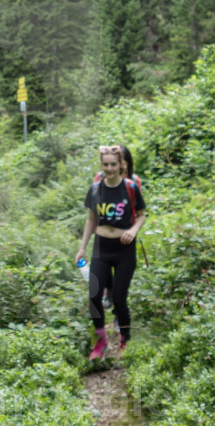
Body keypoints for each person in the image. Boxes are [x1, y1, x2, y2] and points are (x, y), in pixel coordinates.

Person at [76, 145, 146, 359]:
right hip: (101, 247)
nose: (109, 168)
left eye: (113, 164)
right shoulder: (96, 189)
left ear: (121, 165)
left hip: (125, 249)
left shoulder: (131, 187)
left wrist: (133, 231)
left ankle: (125, 339)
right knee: (94, 296)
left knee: (119, 297)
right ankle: (101, 342)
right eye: (105, 164)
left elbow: (142, 215)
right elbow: (90, 220)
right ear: (101, 165)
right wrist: (82, 248)